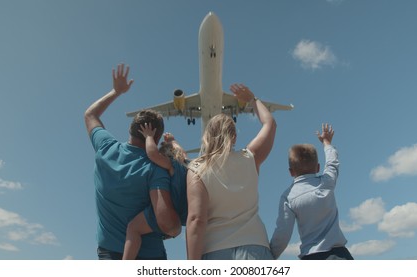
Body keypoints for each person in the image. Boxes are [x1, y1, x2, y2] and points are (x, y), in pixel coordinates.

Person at [84, 63, 181, 260]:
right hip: (149, 256)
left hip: (109, 254)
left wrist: (116, 91)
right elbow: (167, 224)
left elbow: (90, 115)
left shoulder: (105, 149)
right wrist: (175, 229)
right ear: (156, 137)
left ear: (130, 129)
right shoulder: (155, 167)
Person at [186, 83, 277, 260]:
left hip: (215, 250)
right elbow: (270, 124)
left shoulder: (197, 168)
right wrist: (252, 99)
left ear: (207, 136)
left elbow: (196, 220)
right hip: (255, 249)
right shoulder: (251, 157)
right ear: (234, 137)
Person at [270, 124, 354, 260]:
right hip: (339, 255)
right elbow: (332, 163)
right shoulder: (326, 183)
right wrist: (327, 143)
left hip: (311, 257)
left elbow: (283, 233)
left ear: (291, 172)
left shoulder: (288, 197)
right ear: (318, 167)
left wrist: (270, 255)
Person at [123, 124, 188, 260]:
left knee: (133, 228)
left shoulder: (171, 165)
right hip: (182, 215)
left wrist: (149, 137)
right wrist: (172, 140)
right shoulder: (185, 165)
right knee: (169, 230)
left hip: (168, 213)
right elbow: (182, 152)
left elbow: (152, 153)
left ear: (166, 156)